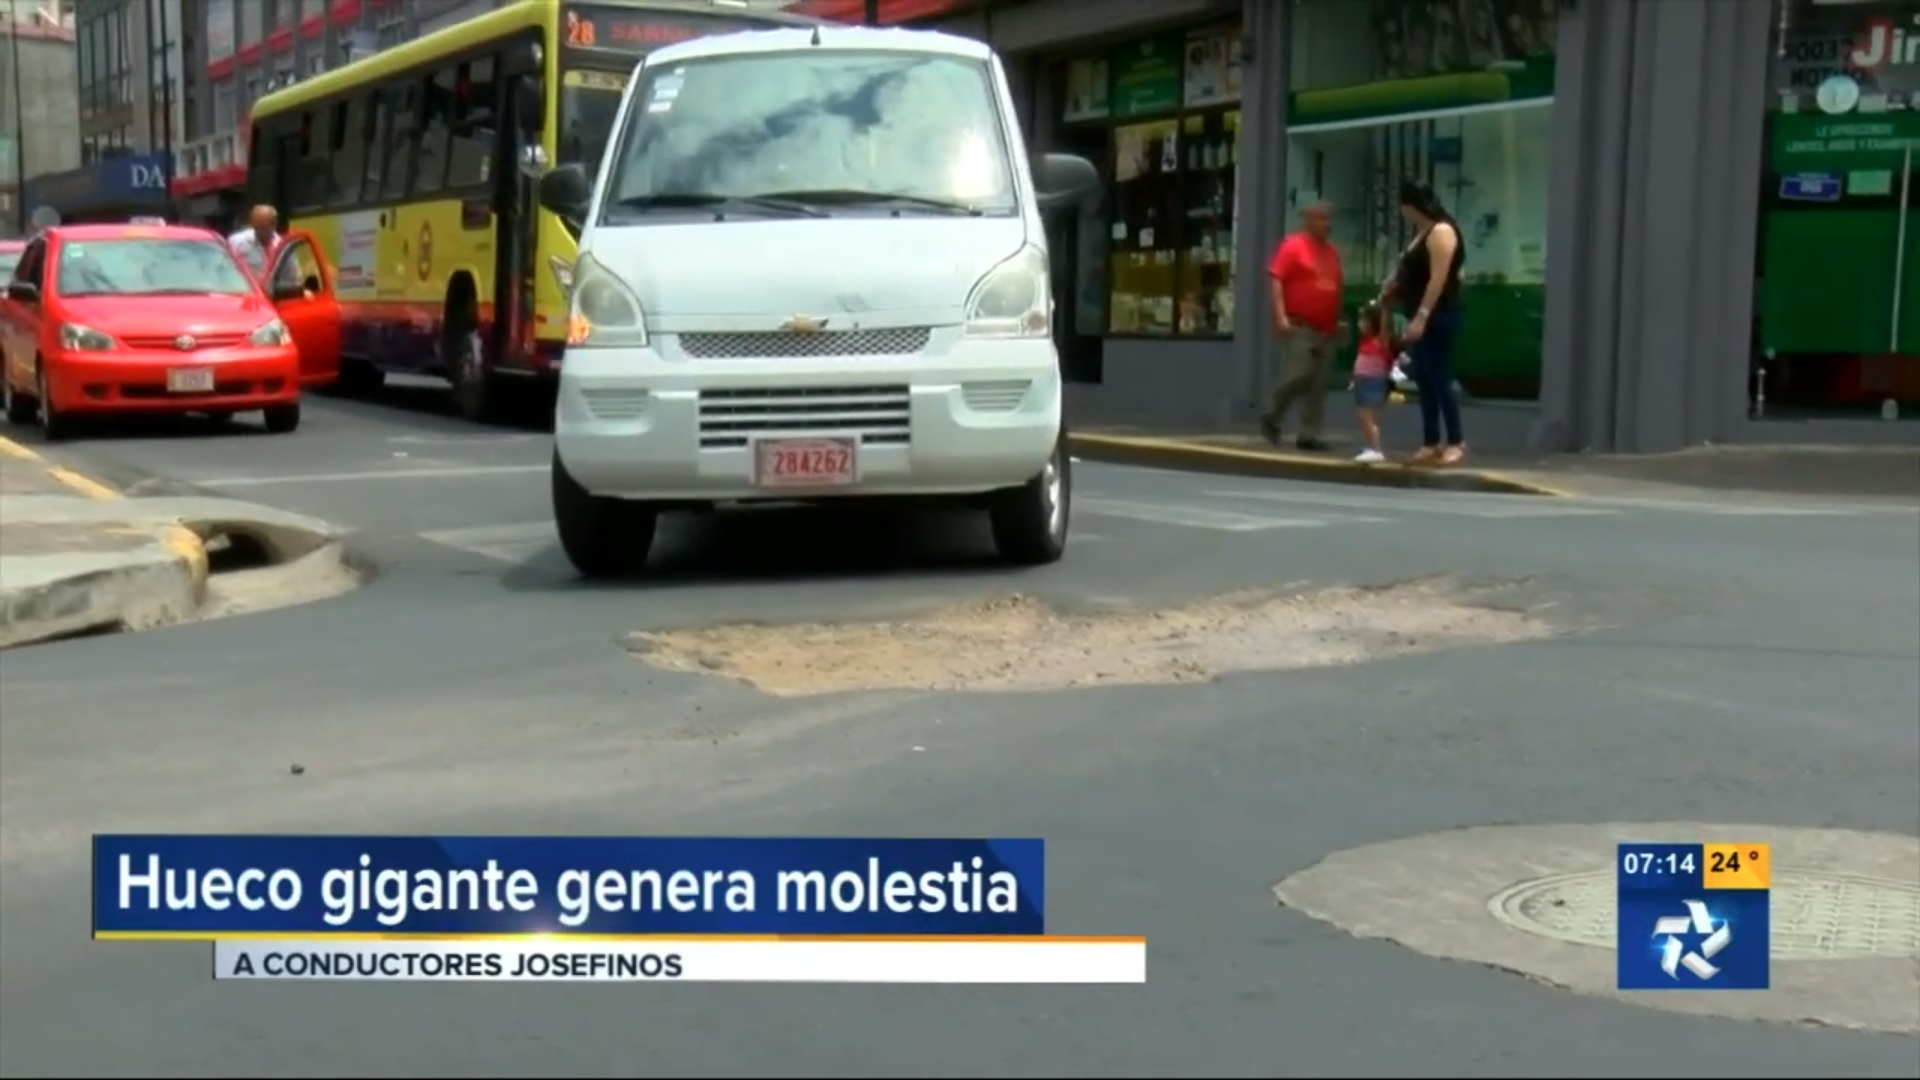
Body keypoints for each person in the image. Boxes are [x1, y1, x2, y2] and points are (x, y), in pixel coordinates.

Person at [1379, 179, 1466, 466]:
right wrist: (1393, 289)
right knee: (1424, 378)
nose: (1403, 213)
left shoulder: (1442, 231)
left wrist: (1422, 316)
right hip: (1416, 310)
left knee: (1439, 377)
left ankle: (1455, 440)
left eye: (1404, 207)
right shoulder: (1422, 233)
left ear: (1411, 205)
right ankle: (1431, 440)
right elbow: (1409, 269)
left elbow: (1438, 279)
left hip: (1438, 314)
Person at [1262, 201, 1344, 451]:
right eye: (1321, 219)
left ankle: (1309, 434)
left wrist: (1337, 320)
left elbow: (1335, 287)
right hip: (1300, 325)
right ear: (1307, 220)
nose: (1327, 224)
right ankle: (1273, 415)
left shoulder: (1331, 252)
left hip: (1325, 328)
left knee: (1319, 383)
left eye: (1329, 219)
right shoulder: (1294, 246)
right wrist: (1280, 316)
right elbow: (1276, 279)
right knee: (1299, 373)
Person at [1349, 302, 1394, 464]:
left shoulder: (1380, 342)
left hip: (1371, 382)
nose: (1359, 323)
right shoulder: (1366, 342)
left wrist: (1384, 308)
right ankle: (1371, 446)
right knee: (1365, 418)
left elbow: (1385, 328)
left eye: (1364, 320)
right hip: (1363, 381)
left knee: (1367, 418)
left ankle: (1375, 449)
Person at [227, 205, 281, 280]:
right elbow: (227, 268)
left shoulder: (281, 244)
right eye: (257, 227)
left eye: (264, 227)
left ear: (274, 225)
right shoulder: (237, 242)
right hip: (248, 289)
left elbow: (293, 274)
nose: (260, 231)